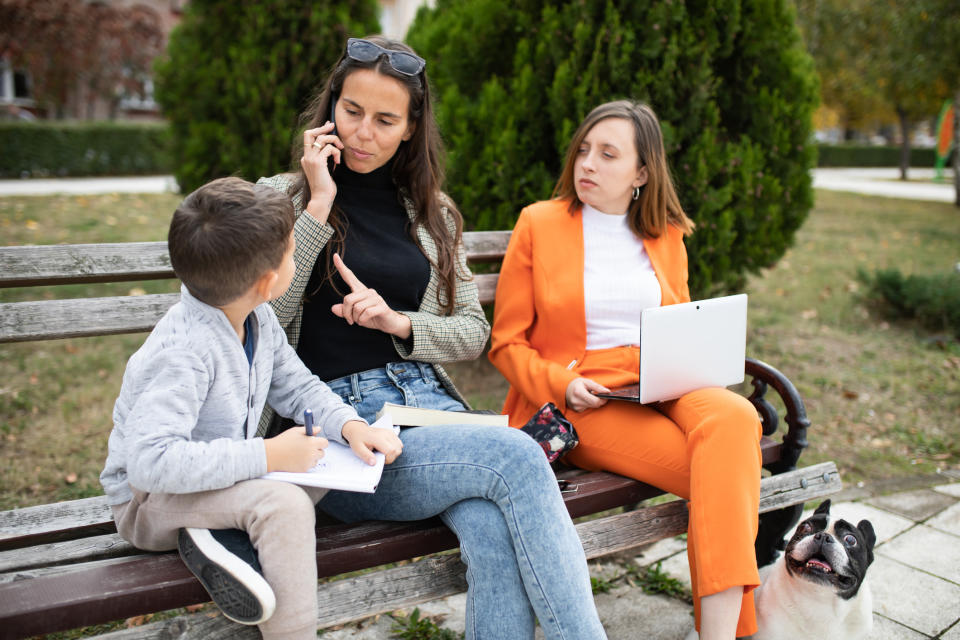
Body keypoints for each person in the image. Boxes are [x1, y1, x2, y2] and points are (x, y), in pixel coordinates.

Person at [256, 36, 606, 640]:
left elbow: (473, 332)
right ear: (330, 109)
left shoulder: (431, 212)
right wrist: (317, 204)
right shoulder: (279, 198)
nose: (364, 132)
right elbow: (261, 313)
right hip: (342, 433)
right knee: (522, 457)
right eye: (351, 111)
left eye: (386, 119)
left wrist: (399, 323)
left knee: (494, 528)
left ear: (411, 128)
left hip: (430, 408)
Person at [489, 100, 763, 640]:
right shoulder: (539, 223)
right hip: (583, 397)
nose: (586, 164)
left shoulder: (666, 233)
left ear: (641, 173)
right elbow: (505, 343)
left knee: (735, 417)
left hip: (666, 377)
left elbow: (681, 318)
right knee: (729, 471)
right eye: (584, 150)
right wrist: (561, 382)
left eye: (607, 154)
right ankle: (733, 633)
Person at [99, 177, 402, 640]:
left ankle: (217, 537)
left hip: (219, 480)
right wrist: (267, 456)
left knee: (323, 461)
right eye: (290, 248)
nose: (296, 250)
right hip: (148, 503)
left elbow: (297, 386)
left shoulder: (255, 318)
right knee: (285, 504)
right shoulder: (183, 352)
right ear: (266, 282)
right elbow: (148, 463)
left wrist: (349, 425)